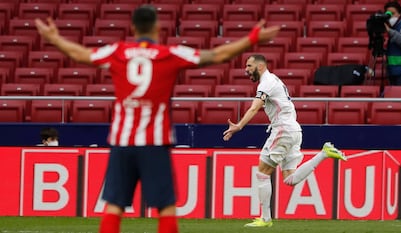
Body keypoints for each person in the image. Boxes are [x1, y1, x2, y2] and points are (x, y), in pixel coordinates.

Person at [35, 5, 280, 233]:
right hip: (154, 142)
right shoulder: (169, 54)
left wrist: (54, 38)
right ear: (157, 27)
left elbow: (81, 54)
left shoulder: (117, 51)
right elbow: (216, 55)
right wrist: (252, 39)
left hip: (122, 142)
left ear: (133, 28)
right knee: (165, 209)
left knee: (114, 207)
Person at [223, 54, 347, 227]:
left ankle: (265, 219)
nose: (246, 69)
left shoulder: (267, 82)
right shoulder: (274, 80)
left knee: (262, 172)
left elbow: (254, 107)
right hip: (294, 129)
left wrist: (239, 126)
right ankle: (324, 153)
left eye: (249, 66)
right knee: (290, 179)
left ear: (260, 67)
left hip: (283, 129)